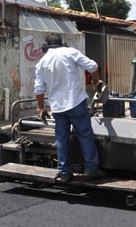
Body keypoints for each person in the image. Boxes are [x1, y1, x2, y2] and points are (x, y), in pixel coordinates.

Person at [34, 34, 103, 183]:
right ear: (62, 43)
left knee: (61, 139)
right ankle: (90, 169)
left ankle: (64, 172)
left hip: (57, 107)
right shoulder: (70, 52)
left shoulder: (42, 62)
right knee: (85, 135)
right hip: (76, 102)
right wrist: (96, 82)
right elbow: (93, 66)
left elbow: (39, 89)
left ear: (45, 46)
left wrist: (41, 108)